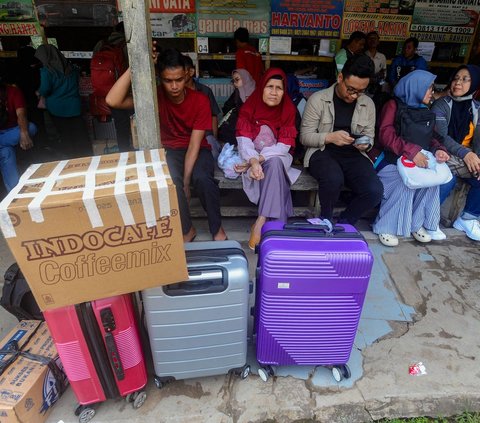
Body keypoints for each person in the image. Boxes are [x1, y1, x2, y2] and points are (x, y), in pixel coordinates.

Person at [106, 48, 227, 242]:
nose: (174, 86)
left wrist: (188, 184)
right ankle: (187, 229)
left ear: (187, 75)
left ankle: (216, 227)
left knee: (203, 180)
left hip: (197, 149)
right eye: (167, 80)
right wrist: (135, 66)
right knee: (171, 182)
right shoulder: (153, 97)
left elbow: (195, 145)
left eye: (178, 79)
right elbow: (112, 100)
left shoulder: (200, 100)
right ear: (159, 78)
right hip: (170, 150)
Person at [300, 55, 383, 225]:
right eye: (351, 89)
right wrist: (330, 137)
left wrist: (365, 145)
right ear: (340, 78)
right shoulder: (318, 99)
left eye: (361, 91)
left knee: (374, 191)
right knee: (333, 178)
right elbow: (305, 137)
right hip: (322, 152)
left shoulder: (368, 104)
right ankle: (326, 219)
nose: (354, 96)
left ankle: (346, 222)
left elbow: (370, 137)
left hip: (353, 154)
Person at [373, 70, 450, 246]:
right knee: (403, 180)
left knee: (431, 180)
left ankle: (416, 224)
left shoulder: (424, 109)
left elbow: (432, 137)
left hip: (417, 160)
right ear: (415, 87)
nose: (431, 92)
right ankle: (386, 226)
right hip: (389, 159)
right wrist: (412, 152)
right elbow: (386, 136)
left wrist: (439, 150)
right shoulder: (393, 105)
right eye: (429, 88)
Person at [234, 68, 300, 250]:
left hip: (279, 155)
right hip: (251, 155)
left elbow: (284, 146)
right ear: (262, 87)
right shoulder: (249, 106)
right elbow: (244, 140)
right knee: (276, 171)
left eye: (279, 88)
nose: (274, 92)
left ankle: (261, 221)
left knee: (276, 162)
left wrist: (261, 158)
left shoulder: (288, 109)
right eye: (269, 86)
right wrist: (253, 161)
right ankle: (277, 228)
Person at [432, 65, 480, 241]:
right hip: (442, 152)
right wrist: (466, 155)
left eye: (465, 79)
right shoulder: (441, 104)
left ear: (474, 83)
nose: (458, 82)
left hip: (466, 156)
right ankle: (427, 220)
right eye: (456, 78)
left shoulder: (476, 108)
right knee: (447, 179)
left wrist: (477, 158)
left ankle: (468, 218)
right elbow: (441, 137)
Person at [34, 44, 91, 159]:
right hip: (75, 107)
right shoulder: (72, 69)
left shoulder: (47, 71)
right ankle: (86, 159)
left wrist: (38, 92)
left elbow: (45, 89)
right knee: (80, 135)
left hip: (57, 109)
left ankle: (71, 161)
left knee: (65, 136)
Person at [92, 22, 132, 152]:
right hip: (126, 92)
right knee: (134, 123)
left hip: (108, 90)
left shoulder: (101, 44)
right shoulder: (128, 45)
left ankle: (124, 153)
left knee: (121, 126)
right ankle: (135, 152)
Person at [0, 80, 36, 193]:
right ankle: (15, 193)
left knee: (31, 128)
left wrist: (24, 132)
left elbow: (21, 114)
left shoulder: (13, 91)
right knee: (6, 153)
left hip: (13, 131)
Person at [183, 55, 222, 158]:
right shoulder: (176, 93)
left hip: (206, 135)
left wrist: (214, 138)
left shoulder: (205, 91)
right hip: (184, 136)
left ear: (191, 72)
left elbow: (213, 116)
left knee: (212, 154)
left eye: (181, 71)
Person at [218, 68, 256, 146]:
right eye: (233, 81)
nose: (235, 83)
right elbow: (226, 107)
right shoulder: (237, 93)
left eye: (237, 80)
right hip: (237, 127)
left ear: (246, 79)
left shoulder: (257, 94)